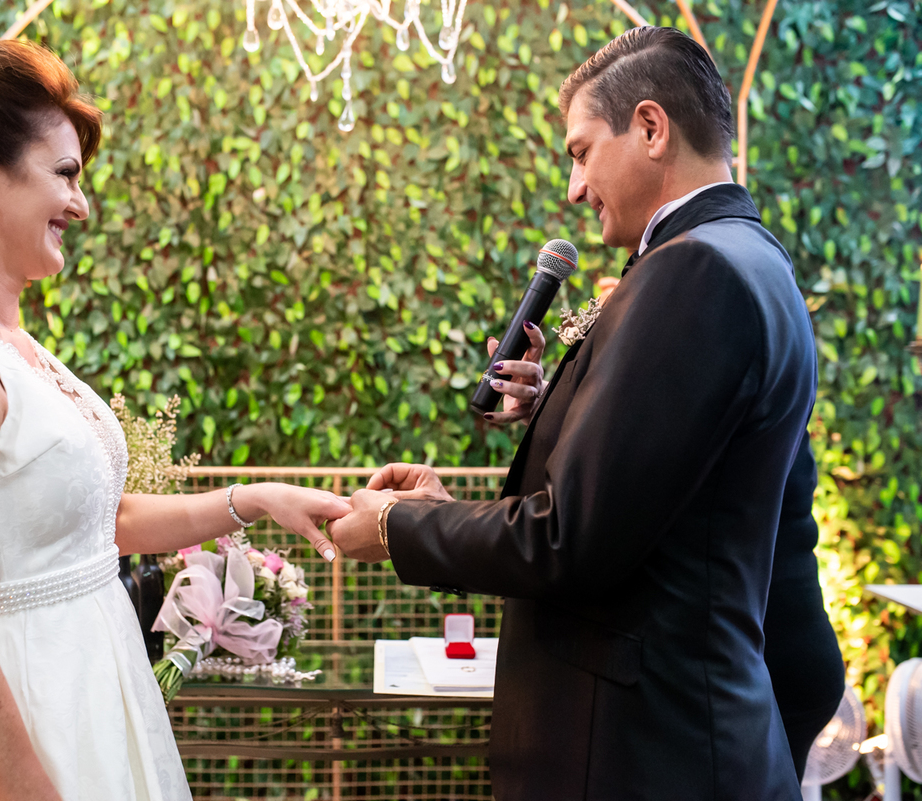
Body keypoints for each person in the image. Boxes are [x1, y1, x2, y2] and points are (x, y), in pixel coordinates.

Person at [0, 39, 350, 801]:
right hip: (7, 737)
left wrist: (256, 498)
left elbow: (91, 526)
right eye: (65, 174)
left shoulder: (8, 341)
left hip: (87, 706)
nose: (81, 203)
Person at [332, 27, 825, 799]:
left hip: (644, 751)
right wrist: (563, 410)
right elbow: (686, 497)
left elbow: (571, 538)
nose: (574, 186)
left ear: (652, 129)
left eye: (581, 150)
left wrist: (397, 526)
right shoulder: (754, 260)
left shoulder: (692, 271)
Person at [484, 261, 844, 783]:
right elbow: (629, 454)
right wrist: (550, 405)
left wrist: (397, 527)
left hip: (762, 658)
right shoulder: (724, 291)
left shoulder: (707, 296)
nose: (576, 190)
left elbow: (600, 507)